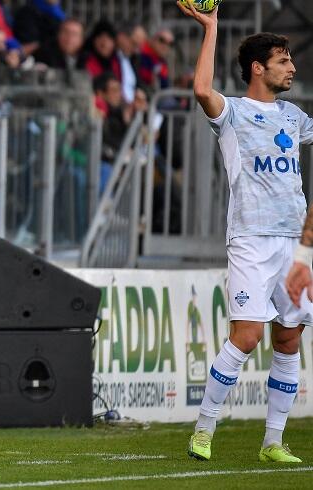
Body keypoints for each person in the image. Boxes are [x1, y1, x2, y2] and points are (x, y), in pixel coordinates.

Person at [180, 2, 313, 464]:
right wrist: (211, 26)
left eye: (291, 61)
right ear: (258, 68)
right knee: (247, 336)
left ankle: (273, 441)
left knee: (289, 338)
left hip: (293, 244)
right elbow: (200, 88)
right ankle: (203, 431)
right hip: (251, 239)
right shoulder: (232, 113)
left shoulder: (294, 118)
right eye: (283, 62)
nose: (292, 68)